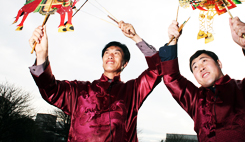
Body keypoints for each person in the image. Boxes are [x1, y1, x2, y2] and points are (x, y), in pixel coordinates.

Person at [159, 17, 245, 141]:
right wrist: (172, 41)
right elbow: (171, 79)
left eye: (204, 60)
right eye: (194, 67)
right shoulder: (195, 101)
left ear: (219, 63)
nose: (200, 67)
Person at [29, 21, 161, 142]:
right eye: (107, 52)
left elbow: (158, 69)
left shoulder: (132, 91)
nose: (110, 55)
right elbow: (49, 89)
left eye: (117, 53)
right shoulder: (79, 90)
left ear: (124, 64)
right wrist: (41, 55)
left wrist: (135, 37)